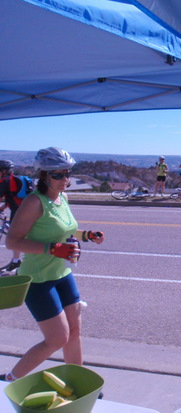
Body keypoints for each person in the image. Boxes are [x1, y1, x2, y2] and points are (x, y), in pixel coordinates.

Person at [0, 147, 105, 383]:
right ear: (43, 176)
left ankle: (76, 382)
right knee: (57, 339)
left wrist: (88, 234)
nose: (65, 180)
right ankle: (10, 378)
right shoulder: (34, 203)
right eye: (57, 175)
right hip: (38, 280)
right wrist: (52, 249)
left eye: (67, 174)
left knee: (75, 333)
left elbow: (63, 230)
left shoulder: (63, 198)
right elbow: (12, 241)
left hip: (62, 273)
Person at [0, 160, 23, 275]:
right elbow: (12, 197)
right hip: (26, 209)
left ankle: (17, 261)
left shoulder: (4, 182)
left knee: (14, 236)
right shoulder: (15, 179)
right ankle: (16, 260)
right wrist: (3, 207)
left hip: (18, 212)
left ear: (3, 171)